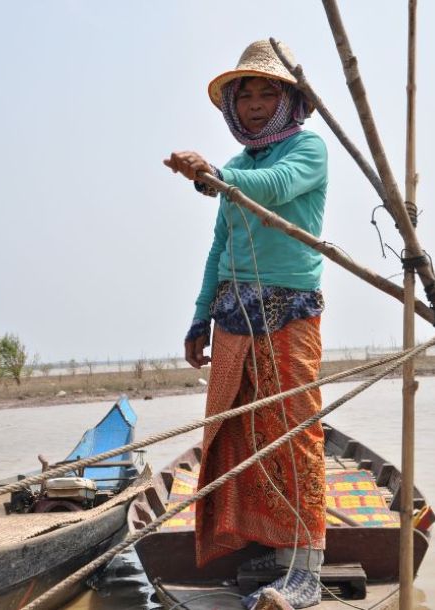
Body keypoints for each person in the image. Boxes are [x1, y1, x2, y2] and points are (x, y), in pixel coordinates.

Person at [164, 39, 327, 610]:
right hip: (233, 313)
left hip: (289, 309)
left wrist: (213, 176)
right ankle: (267, 545)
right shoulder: (234, 166)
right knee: (238, 432)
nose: (256, 104)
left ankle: (305, 565)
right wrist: (199, 317)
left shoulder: (309, 150)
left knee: (292, 429)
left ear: (289, 101)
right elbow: (220, 246)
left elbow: (275, 189)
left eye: (267, 93)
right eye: (246, 95)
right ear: (234, 106)